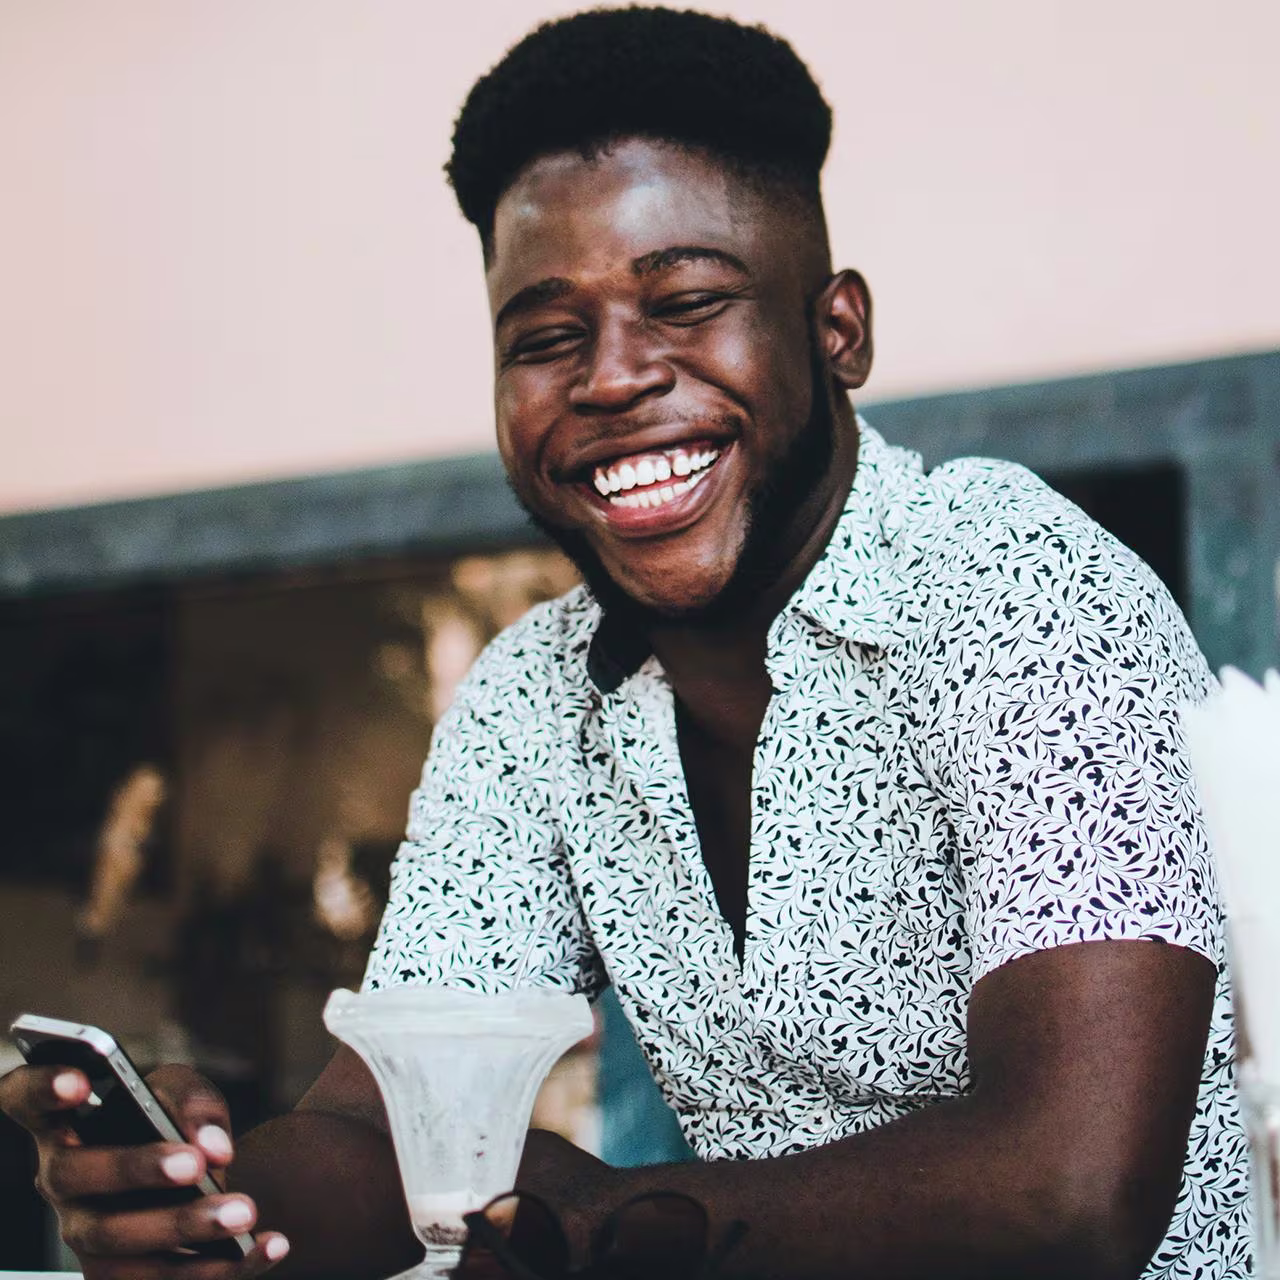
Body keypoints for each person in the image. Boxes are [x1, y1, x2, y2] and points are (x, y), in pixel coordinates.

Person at [0, 8, 1249, 1278]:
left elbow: (1068, 1191)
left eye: (687, 301)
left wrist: (595, 1222)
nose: (608, 378)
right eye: (544, 338)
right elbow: (377, 1129)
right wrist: (202, 1201)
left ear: (836, 333)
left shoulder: (1016, 582)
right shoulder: (529, 699)